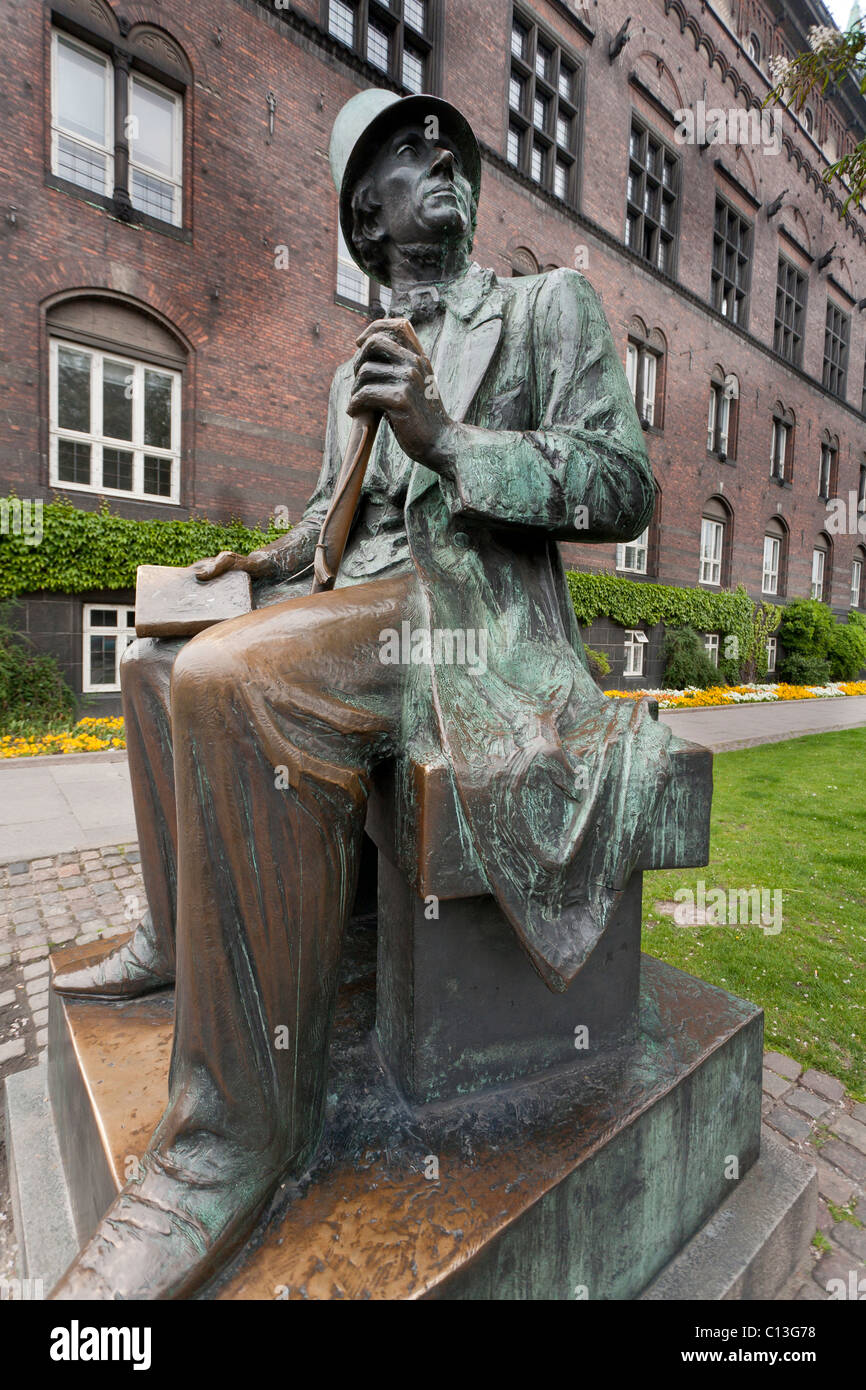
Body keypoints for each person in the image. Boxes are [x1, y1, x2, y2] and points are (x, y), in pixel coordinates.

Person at [52, 88, 673, 1300]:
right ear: (363, 219)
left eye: (442, 143)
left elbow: (622, 483)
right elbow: (333, 526)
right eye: (401, 150)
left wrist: (454, 442)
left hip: (469, 633)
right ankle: (180, 945)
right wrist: (258, 563)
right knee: (155, 660)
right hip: (363, 608)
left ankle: (232, 1139)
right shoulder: (354, 366)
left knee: (237, 677)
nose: (436, 154)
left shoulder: (548, 308)